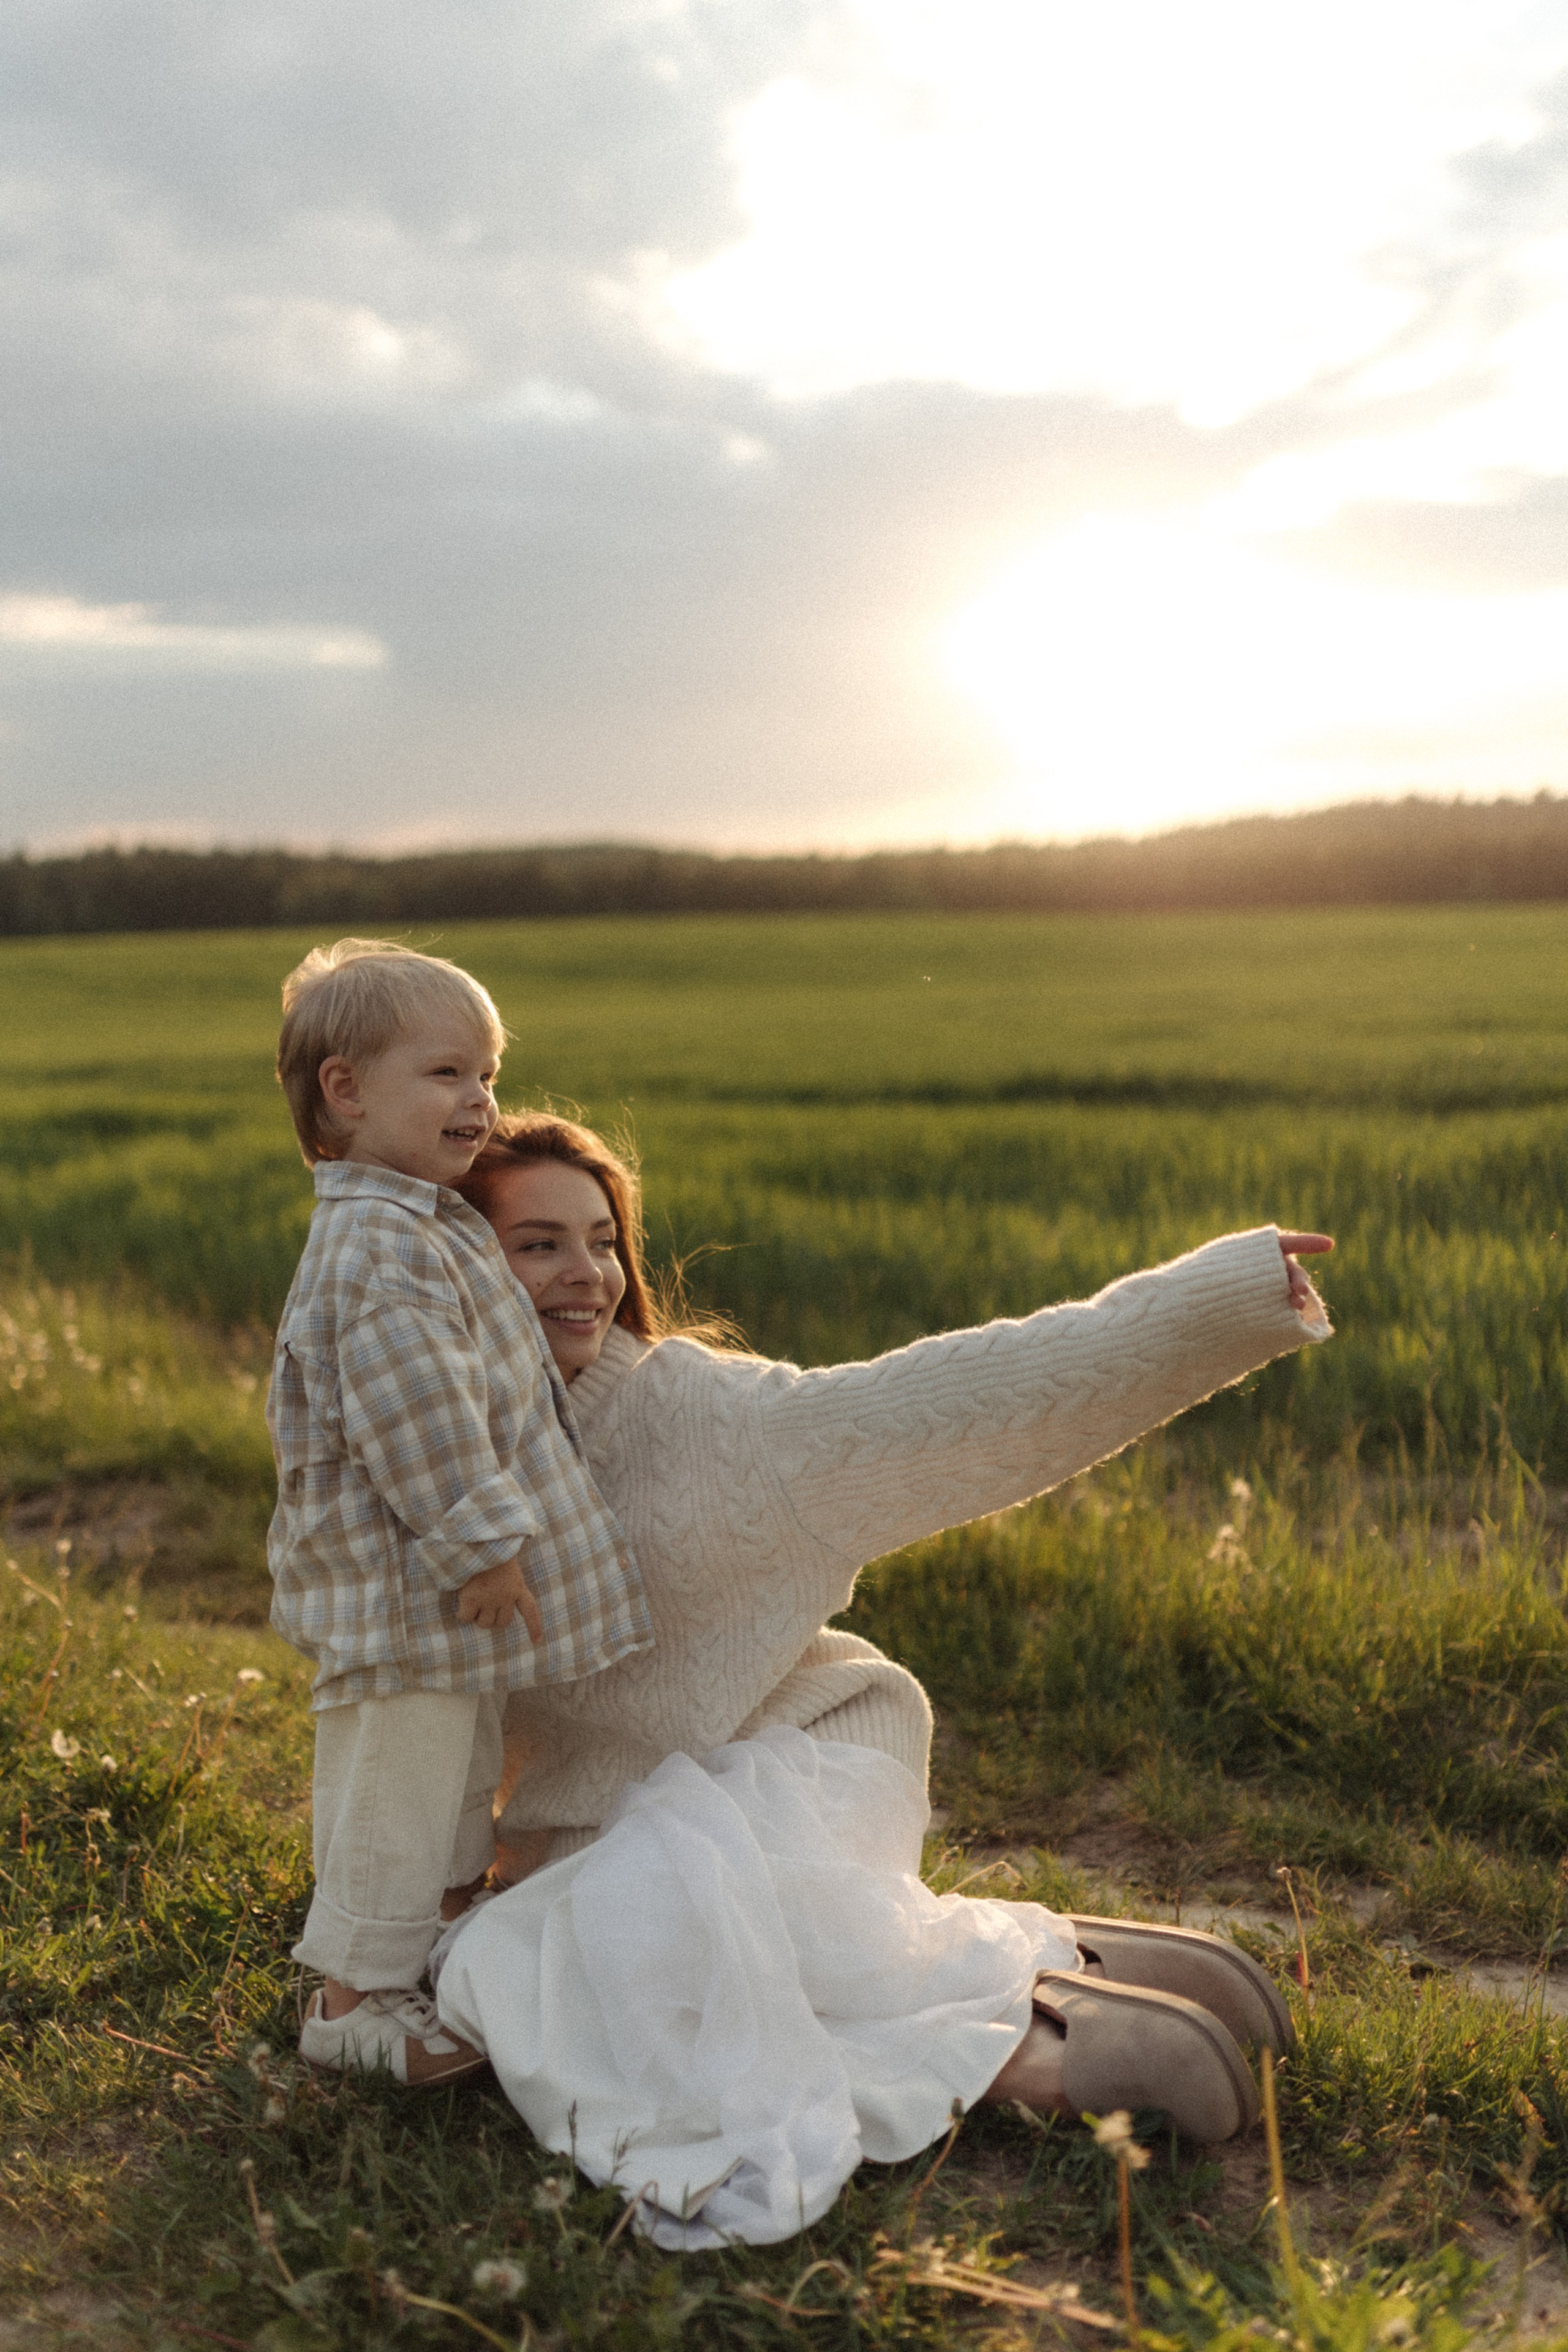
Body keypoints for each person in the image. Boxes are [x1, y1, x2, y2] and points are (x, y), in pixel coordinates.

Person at [434, 1112, 1332, 2244]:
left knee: (580, 1943)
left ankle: (1020, 2052)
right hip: (616, 1825)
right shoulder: (438, 1452)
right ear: (454, 1264)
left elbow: (957, 1402)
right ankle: (1045, 1959)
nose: (587, 1276)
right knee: (565, 1918)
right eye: (538, 1245)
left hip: (798, 1765)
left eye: (604, 1241)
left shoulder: (710, 1416)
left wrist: (1214, 1303)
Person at [267, 948, 651, 2087]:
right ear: (346, 1092)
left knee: (452, 1774)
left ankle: (430, 1943)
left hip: (432, 1604)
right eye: (447, 1072)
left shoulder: (419, 1220)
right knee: (398, 1789)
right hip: (408, 1591)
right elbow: (416, 1412)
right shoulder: (379, 1245)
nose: (480, 1100)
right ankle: (350, 2004)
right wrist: (485, 1544)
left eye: (487, 1073)